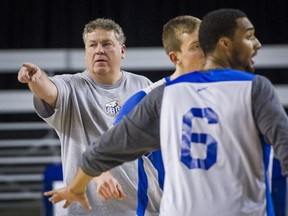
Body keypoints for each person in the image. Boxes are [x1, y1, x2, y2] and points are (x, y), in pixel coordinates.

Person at [44, 8, 288, 216]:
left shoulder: (160, 96)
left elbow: (102, 150)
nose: (257, 44)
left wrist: (78, 185)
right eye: (249, 37)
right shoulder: (253, 88)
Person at [18, 18, 151, 216]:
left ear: (122, 50)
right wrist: (36, 79)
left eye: (107, 44)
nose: (99, 50)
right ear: (86, 53)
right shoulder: (70, 86)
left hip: (138, 209)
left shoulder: (142, 86)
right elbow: (49, 90)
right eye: (92, 45)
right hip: (87, 210)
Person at [113, 15, 204, 216]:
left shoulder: (223, 93)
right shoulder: (147, 100)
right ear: (175, 57)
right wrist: (100, 174)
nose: (206, 51)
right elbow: (107, 148)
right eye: (196, 46)